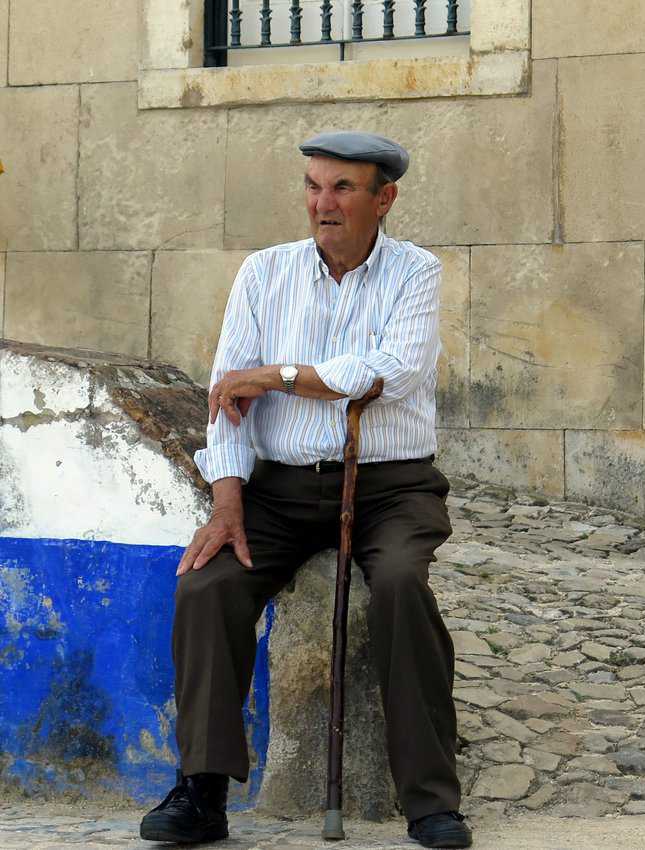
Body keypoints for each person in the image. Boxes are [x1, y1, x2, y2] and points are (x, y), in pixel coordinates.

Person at [139, 131, 472, 849]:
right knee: (206, 587)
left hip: (391, 486)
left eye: (344, 188)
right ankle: (202, 791)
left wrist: (280, 376)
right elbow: (225, 397)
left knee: (403, 587)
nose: (323, 203)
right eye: (314, 186)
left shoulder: (415, 272)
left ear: (384, 199)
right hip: (279, 490)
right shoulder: (264, 274)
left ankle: (431, 799)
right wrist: (227, 501)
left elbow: (390, 373)